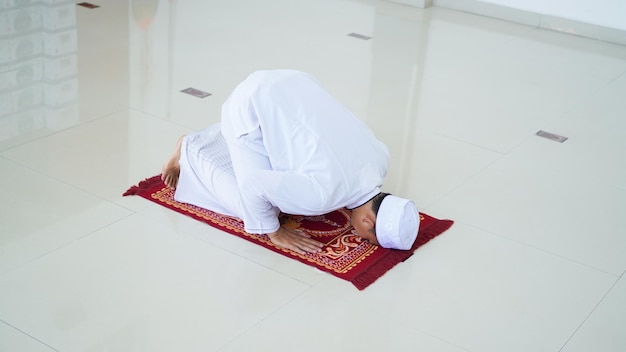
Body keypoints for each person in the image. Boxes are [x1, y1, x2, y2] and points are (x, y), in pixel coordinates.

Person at [161, 70, 419, 254]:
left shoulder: (381, 160)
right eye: (367, 240)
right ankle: (191, 147)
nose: (360, 239)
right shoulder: (321, 198)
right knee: (254, 207)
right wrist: (273, 231)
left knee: (283, 172)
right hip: (248, 105)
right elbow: (253, 185)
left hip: (295, 82)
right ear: (368, 223)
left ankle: (219, 136)